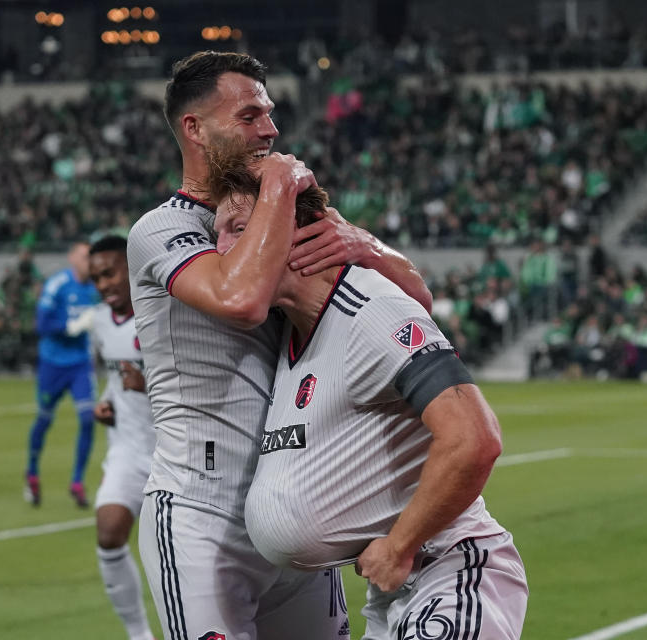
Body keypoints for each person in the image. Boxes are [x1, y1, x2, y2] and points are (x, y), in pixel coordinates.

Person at [127, 51, 432, 640]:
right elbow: (240, 297)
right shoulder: (161, 229)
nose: (270, 129)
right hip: (201, 513)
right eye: (249, 115)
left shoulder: (274, 211)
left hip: (295, 508)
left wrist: (362, 242)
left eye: (269, 113)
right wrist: (283, 187)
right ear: (195, 128)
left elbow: (416, 298)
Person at [206, 147, 528, 640]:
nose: (220, 250)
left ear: (293, 228)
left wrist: (399, 545)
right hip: (393, 595)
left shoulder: (368, 310)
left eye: (236, 229)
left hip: (449, 574)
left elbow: (474, 438)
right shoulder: (288, 333)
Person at [87, 235, 156, 640]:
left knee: (174, 556)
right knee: (109, 532)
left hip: (175, 450)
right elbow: (116, 380)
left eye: (110, 273)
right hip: (128, 448)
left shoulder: (162, 312)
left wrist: (147, 383)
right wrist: (106, 402)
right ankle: (138, 634)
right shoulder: (99, 322)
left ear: (132, 269)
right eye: (96, 278)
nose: (104, 284)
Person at [24, 241, 100, 508]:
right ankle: (32, 472)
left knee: (89, 418)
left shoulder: (96, 287)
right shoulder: (57, 284)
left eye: (91, 256)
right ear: (71, 258)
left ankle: (77, 481)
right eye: (83, 256)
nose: (88, 261)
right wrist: (70, 327)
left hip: (81, 363)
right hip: (53, 363)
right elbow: (41, 324)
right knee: (44, 420)